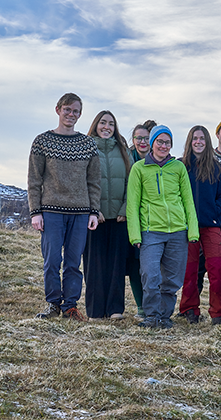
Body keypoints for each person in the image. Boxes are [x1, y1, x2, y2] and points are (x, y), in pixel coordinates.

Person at [28, 92, 100, 321]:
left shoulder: (88, 144)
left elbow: (94, 182)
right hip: (50, 211)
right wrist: (35, 211)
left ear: (80, 115)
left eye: (76, 111)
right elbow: (34, 179)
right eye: (67, 109)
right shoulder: (42, 142)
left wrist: (94, 211)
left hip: (80, 212)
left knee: (73, 262)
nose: (71, 114)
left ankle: (70, 306)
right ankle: (53, 304)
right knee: (51, 261)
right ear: (58, 109)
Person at [126, 125, 199, 329]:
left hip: (178, 231)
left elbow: (188, 201)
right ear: (152, 143)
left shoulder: (178, 168)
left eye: (167, 142)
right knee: (150, 274)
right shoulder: (139, 168)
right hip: (151, 231)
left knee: (173, 279)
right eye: (159, 141)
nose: (163, 146)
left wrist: (192, 231)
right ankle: (151, 316)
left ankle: (165, 317)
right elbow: (132, 204)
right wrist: (135, 235)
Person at [178, 125, 221, 324]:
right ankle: (189, 309)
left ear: (207, 142)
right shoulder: (181, 166)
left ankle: (218, 313)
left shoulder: (216, 168)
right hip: (187, 226)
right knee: (189, 271)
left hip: (212, 226)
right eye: (194, 138)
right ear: (189, 141)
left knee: (217, 269)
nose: (198, 142)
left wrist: (214, 211)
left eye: (202, 138)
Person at [82, 110, 132, 320]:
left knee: (116, 265)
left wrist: (124, 209)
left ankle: (115, 310)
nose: (107, 127)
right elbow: (80, 182)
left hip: (119, 218)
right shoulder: (85, 147)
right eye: (103, 123)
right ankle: (95, 311)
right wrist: (94, 209)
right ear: (95, 125)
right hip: (95, 218)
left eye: (111, 123)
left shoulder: (122, 149)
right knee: (94, 265)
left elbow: (133, 181)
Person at [126, 119, 157, 318]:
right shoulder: (127, 157)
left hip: (154, 220)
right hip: (130, 216)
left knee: (152, 266)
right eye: (139, 138)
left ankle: (154, 304)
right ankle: (141, 306)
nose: (143, 142)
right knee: (135, 266)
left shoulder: (161, 160)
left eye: (147, 138)